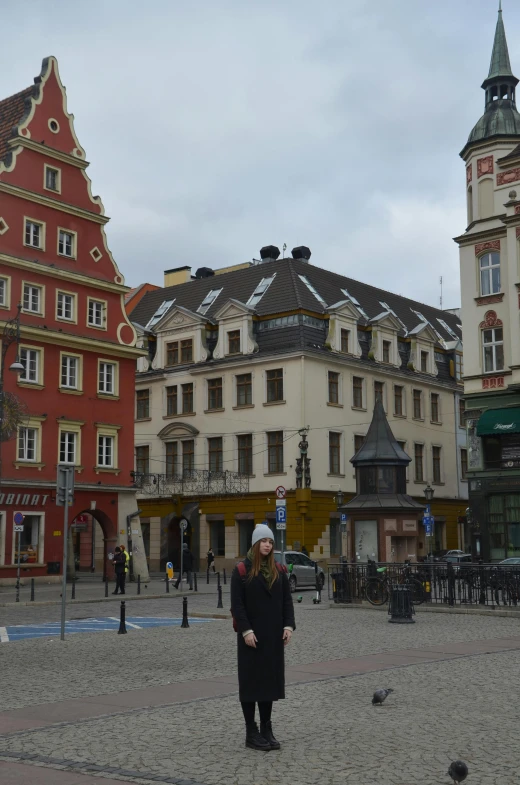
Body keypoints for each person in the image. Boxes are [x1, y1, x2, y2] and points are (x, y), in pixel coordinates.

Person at [230, 524, 295, 752]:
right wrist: (246, 631)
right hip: (251, 637)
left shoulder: (279, 570)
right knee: (250, 684)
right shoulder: (242, 571)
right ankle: (251, 731)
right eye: (263, 541)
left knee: (268, 684)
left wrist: (288, 626)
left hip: (273, 637)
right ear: (255, 544)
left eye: (270, 541)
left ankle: (267, 728)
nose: (267, 545)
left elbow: (287, 601)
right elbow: (237, 605)